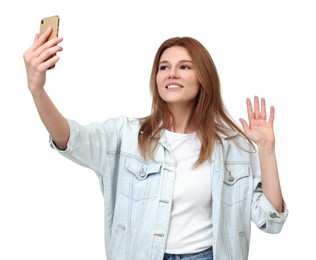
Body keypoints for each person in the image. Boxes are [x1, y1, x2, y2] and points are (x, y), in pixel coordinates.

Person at [23, 26, 288, 260]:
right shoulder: (125, 136)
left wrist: (266, 149)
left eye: (184, 66)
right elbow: (70, 138)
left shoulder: (232, 147)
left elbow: (271, 220)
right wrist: (37, 90)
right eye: (164, 67)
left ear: (203, 79)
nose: (171, 73)